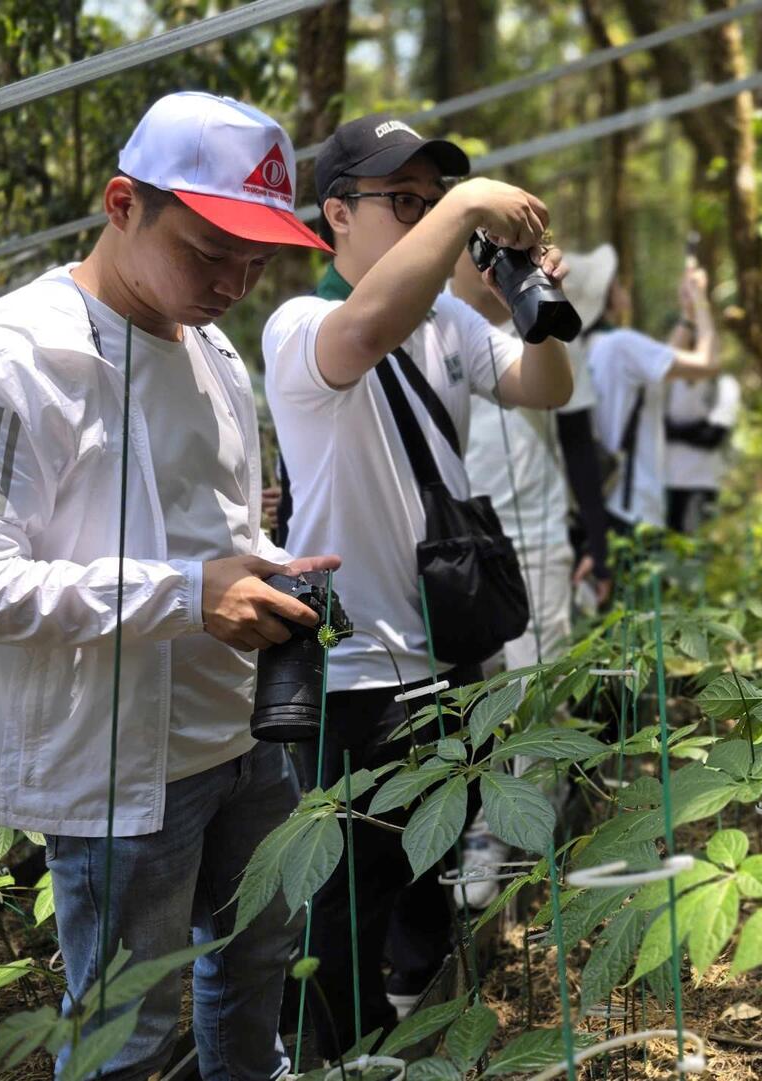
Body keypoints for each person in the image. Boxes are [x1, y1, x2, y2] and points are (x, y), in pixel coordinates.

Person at [0, 92, 339, 1080]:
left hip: (242, 734)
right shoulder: (10, 357)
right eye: (208, 250)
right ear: (121, 203)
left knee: (255, 962)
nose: (234, 281)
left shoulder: (213, 348)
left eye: (257, 258)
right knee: (125, 1031)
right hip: (117, 773)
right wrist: (188, 593)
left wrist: (262, 567)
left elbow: (207, 524)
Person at [261, 114, 571, 1048]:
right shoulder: (301, 324)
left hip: (446, 648)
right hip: (348, 667)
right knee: (344, 894)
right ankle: (342, 1053)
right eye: (402, 200)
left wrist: (535, 306)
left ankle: (414, 1024)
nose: (424, 217)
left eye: (432, 202)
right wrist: (474, 204)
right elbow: (368, 327)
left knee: (428, 861)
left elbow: (543, 388)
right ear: (335, 215)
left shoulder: (446, 322)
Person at [446, 250, 598, 908]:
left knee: (539, 684)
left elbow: (579, 432)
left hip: (534, 535)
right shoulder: (429, 327)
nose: (486, 264)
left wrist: (599, 538)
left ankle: (532, 824)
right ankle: (485, 820)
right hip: (457, 548)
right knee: (473, 696)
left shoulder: (546, 323)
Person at [559, 244, 723, 537]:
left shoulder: (584, 349)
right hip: (636, 508)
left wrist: (687, 318)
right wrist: (700, 302)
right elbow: (707, 363)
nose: (624, 288)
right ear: (606, 297)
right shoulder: (622, 344)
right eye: (616, 283)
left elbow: (659, 366)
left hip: (603, 508)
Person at [662, 372, 742, 533]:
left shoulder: (723, 384)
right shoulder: (667, 382)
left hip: (702, 483)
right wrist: (700, 425)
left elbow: (712, 436)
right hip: (663, 482)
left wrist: (674, 429)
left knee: (695, 547)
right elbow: (657, 427)